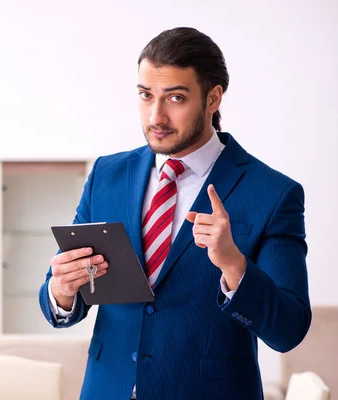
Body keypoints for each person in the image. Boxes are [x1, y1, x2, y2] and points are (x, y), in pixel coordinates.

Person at [38, 27, 311, 400]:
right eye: (145, 95)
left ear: (213, 98)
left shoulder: (273, 193)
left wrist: (234, 265)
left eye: (176, 98)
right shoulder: (107, 175)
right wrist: (61, 289)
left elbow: (289, 330)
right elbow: (67, 290)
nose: (156, 116)